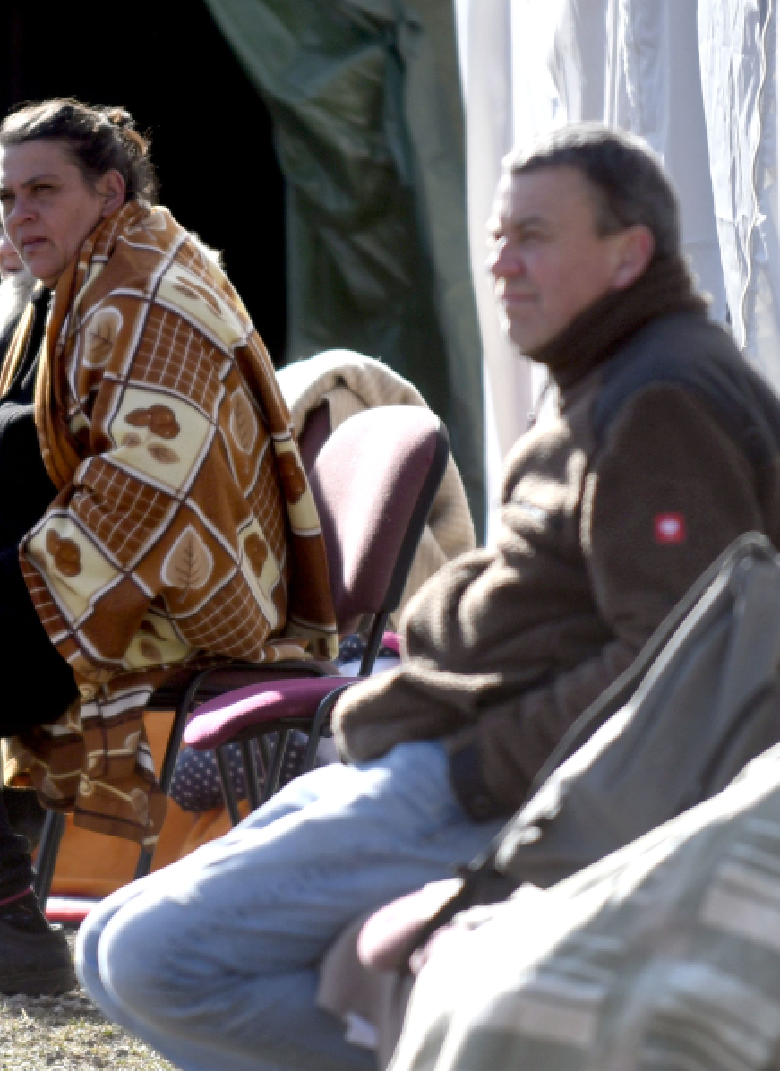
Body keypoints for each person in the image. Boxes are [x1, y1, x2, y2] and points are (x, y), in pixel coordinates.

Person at [77, 122, 780, 1071]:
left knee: (154, 959)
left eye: (534, 235)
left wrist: (480, 770)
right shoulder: (609, 373)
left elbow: (675, 673)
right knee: (108, 941)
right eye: (496, 237)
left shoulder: (663, 399)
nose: (502, 264)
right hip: (435, 751)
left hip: (489, 783)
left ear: (630, 254)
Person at [0, 98, 338, 996]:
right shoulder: (74, 288)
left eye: (42, 192)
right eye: (6, 196)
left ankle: (1, 923)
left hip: (164, 599)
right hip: (68, 574)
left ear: (109, 189)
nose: (18, 215)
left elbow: (146, 487)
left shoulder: (147, 291)